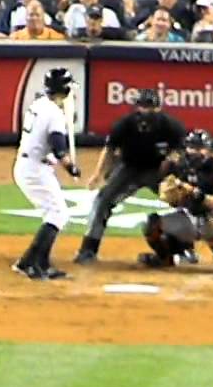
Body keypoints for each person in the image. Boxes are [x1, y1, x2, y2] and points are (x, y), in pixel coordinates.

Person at [74, 88, 186, 265]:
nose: (146, 111)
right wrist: (98, 174)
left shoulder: (171, 126)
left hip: (158, 170)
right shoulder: (125, 124)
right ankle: (88, 249)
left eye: (150, 107)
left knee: (184, 201)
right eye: (142, 106)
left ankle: (184, 249)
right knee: (103, 200)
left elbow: (181, 150)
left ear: (159, 108)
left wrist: (173, 163)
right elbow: (110, 149)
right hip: (129, 168)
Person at [139, 129, 213, 274]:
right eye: (192, 147)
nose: (196, 151)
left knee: (208, 225)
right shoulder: (177, 166)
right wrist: (173, 196)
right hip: (190, 217)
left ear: (208, 150)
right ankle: (166, 258)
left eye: (200, 148)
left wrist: (197, 195)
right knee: (151, 223)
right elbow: (169, 196)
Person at [13, 68, 82, 280]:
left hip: (30, 165)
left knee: (54, 214)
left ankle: (33, 262)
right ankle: (33, 263)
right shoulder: (54, 113)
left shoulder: (39, 104)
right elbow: (59, 148)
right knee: (58, 215)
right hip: (34, 169)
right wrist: (71, 167)